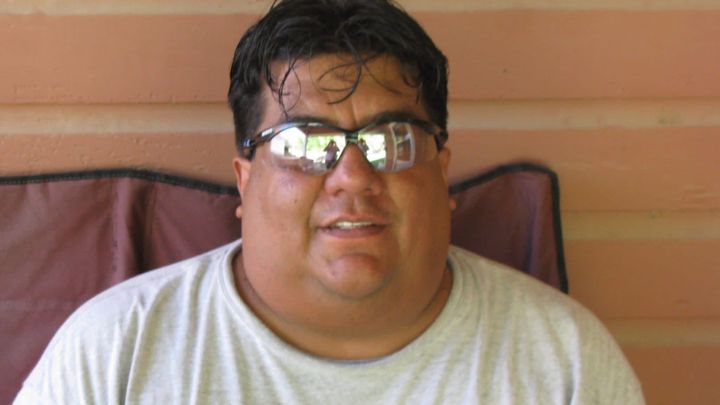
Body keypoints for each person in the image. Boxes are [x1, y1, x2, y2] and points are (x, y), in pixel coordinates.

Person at [14, 0, 645, 403]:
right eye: (304, 142)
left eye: (392, 139)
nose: (353, 177)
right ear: (244, 181)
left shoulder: (563, 362)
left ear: (442, 173)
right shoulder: (116, 351)